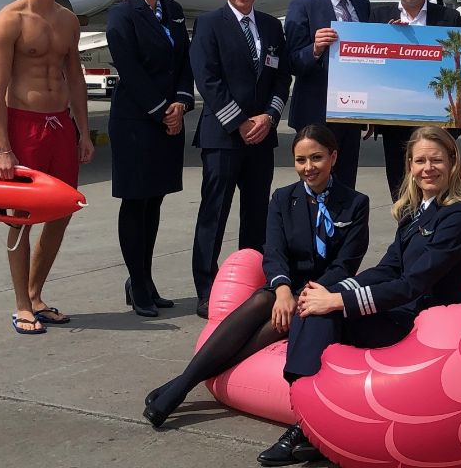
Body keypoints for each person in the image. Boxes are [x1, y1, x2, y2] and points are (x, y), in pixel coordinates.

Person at [257, 126, 461, 467]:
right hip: (400, 311)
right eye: (420, 161)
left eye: (436, 160)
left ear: (453, 163)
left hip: (427, 324)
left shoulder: (459, 216)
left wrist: (339, 302)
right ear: (409, 166)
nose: (428, 168)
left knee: (325, 308)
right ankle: (308, 416)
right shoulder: (415, 211)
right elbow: (388, 267)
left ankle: (305, 424)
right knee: (313, 301)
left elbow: (412, 285)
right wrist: (332, 291)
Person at [143, 124, 369, 428]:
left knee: (277, 320)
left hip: (321, 292)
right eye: (300, 160)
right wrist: (283, 290)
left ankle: (179, 386)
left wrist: (303, 296)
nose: (308, 167)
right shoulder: (283, 198)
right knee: (261, 302)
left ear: (334, 157)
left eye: (316, 158)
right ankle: (180, 386)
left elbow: (345, 265)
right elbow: (273, 252)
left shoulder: (356, 203)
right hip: (284, 285)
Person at [0, 0, 94, 335]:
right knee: (20, 219)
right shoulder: (9, 20)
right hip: (23, 126)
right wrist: (3, 148)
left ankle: (35, 295)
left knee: (62, 211)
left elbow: (75, 78)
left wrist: (83, 132)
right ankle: (21, 305)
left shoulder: (68, 21)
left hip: (59, 125)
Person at [190, 0, 292, 319]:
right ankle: (206, 289)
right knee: (213, 214)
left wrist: (269, 117)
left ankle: (252, 286)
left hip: (261, 137)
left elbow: (282, 77)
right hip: (223, 137)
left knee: (256, 215)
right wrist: (240, 123)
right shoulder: (209, 24)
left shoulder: (270, 26)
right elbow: (207, 79)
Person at [106, 0, 195, 318]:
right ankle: (138, 282)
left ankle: (145, 279)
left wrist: (181, 102)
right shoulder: (121, 15)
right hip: (136, 121)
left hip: (168, 118)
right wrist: (162, 111)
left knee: (154, 199)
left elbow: (185, 60)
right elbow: (130, 69)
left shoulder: (172, 10)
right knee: (135, 201)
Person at [371, 0, 461, 200]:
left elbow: (460, 68)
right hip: (395, 124)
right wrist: (387, 39)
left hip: (439, 122)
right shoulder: (378, 18)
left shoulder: (449, 18)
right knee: (401, 194)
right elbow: (370, 67)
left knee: (441, 193)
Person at [284, 0, 372, 190]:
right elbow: (291, 61)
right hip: (316, 113)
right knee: (315, 183)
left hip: (351, 113)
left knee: (346, 184)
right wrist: (314, 48)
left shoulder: (362, 5)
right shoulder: (302, 5)